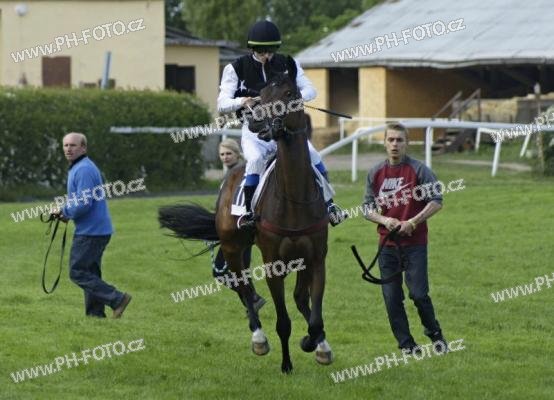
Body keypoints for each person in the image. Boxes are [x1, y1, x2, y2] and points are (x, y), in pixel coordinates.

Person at [217, 20, 346, 228]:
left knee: (314, 155)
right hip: (255, 132)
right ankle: (248, 213)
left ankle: (330, 205)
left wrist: (291, 99)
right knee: (255, 159)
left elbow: (311, 91)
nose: (267, 56)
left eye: (271, 51)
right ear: (252, 49)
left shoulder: (288, 64)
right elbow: (222, 103)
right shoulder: (235, 68)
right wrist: (242, 101)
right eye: (262, 52)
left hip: (285, 131)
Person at [362, 123, 447, 354]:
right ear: (384, 143)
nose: (395, 144)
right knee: (392, 298)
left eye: (399, 140)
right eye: (391, 140)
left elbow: (436, 200)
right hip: (387, 247)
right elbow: (366, 208)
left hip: (415, 245)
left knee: (419, 295)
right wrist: (384, 220)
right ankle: (407, 345)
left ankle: (435, 335)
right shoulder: (375, 173)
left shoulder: (419, 170)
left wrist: (413, 222)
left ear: (407, 143)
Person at [53, 132, 131, 319]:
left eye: (73, 145)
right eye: (65, 145)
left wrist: (64, 211)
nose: (68, 149)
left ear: (83, 148)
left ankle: (117, 299)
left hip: (91, 232)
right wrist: (66, 214)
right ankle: (95, 315)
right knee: (90, 273)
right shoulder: (80, 167)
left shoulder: (84, 169)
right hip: (96, 230)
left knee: (78, 272)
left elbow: (84, 202)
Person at [214, 139, 266, 313]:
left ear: (237, 154)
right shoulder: (231, 174)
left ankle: (252, 299)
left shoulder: (241, 173)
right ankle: (252, 307)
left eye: (229, 153)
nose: (225, 157)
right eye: (222, 154)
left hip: (239, 230)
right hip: (236, 228)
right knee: (241, 273)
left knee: (221, 272)